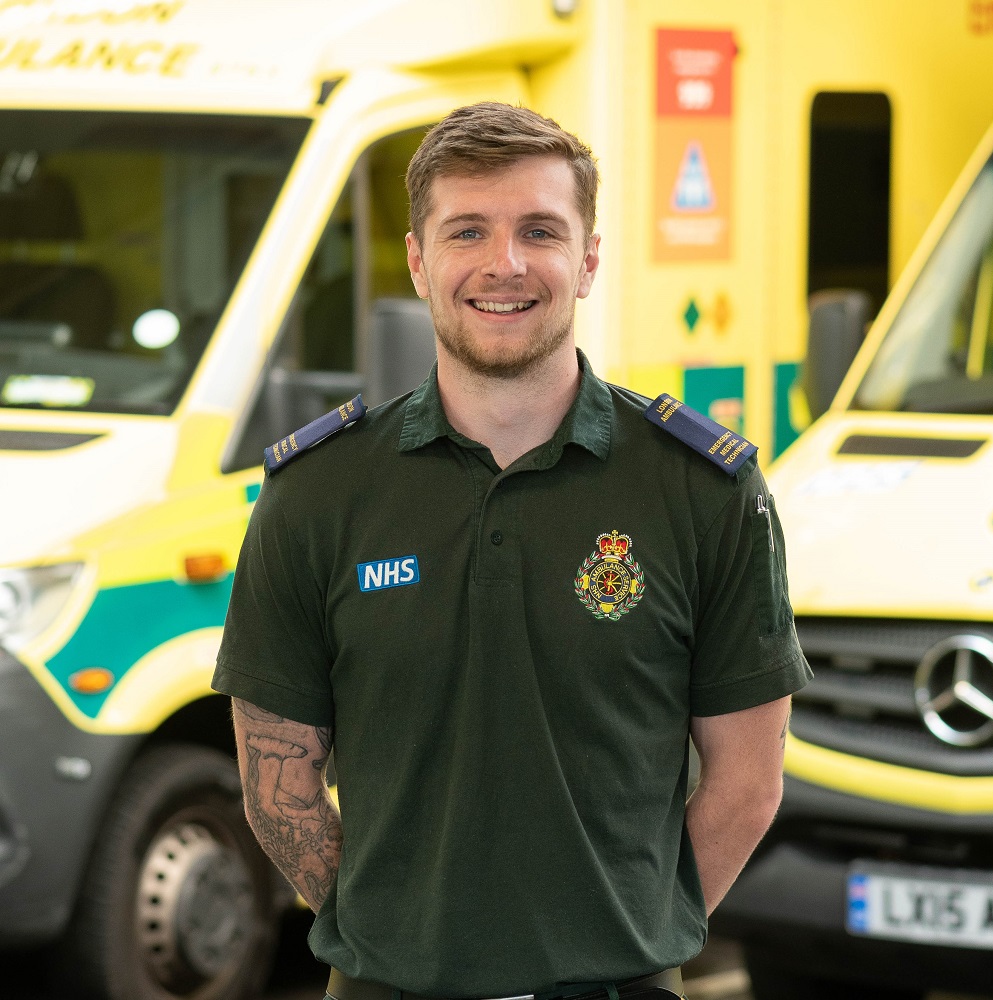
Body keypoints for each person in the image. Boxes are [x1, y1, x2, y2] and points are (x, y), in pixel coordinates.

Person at [212, 101, 812, 1000]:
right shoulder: (316, 495)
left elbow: (746, 784)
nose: (506, 264)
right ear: (418, 261)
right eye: (467, 232)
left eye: (541, 230)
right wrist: (403, 939)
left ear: (590, 258)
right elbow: (279, 788)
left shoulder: (706, 493)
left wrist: (625, 931)